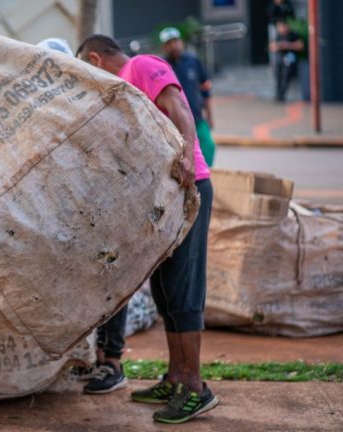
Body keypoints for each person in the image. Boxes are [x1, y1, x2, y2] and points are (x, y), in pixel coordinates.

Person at [76, 34, 218, 424]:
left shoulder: (140, 66)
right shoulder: (125, 86)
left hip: (188, 187)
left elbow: (179, 107)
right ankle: (175, 377)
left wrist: (188, 154)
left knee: (184, 291)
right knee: (166, 290)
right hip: (164, 197)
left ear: (96, 59)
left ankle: (194, 386)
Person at [160, 27, 216, 167]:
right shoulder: (162, 66)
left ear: (181, 42)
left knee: (208, 146)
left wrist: (209, 116)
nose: (174, 45)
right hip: (174, 122)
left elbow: (205, 89)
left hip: (197, 118)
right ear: (164, 47)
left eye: (176, 41)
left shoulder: (194, 61)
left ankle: (205, 176)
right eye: (169, 43)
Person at [270, 19, 304, 102]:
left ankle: (282, 94)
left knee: (286, 75)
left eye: (282, 26)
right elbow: (272, 46)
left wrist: (288, 45)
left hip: (290, 56)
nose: (281, 29)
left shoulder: (293, 35)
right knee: (277, 75)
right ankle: (278, 95)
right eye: (279, 27)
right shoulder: (278, 35)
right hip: (279, 57)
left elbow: (300, 46)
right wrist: (277, 46)